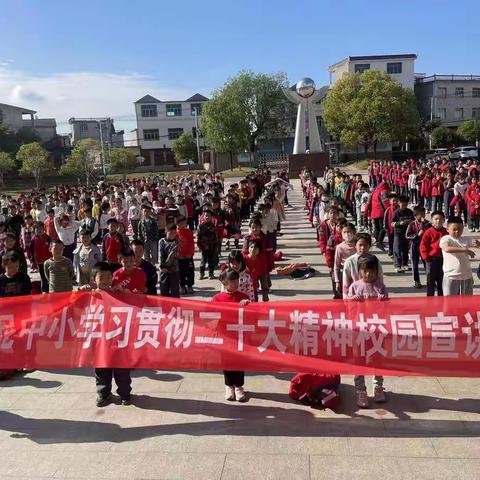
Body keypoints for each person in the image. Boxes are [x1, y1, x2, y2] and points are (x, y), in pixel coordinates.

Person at [90, 262, 133, 407]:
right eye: (101, 278)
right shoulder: (91, 295)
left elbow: (134, 303)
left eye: (109, 277)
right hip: (100, 340)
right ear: (93, 280)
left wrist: (126, 293)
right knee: (102, 368)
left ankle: (125, 394)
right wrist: (80, 292)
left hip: (119, 339)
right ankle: (104, 394)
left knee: (122, 370)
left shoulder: (118, 293)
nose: (106, 281)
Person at [212, 269, 251, 402]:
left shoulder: (243, 297)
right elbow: (210, 314)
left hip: (239, 335)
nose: (235, 284)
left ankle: (239, 386)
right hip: (225, 334)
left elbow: (252, 315)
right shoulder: (217, 298)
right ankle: (229, 386)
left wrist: (247, 305)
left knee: (239, 360)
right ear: (224, 283)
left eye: (236, 280)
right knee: (227, 360)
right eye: (231, 281)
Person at [439, 216, 478, 296]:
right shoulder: (446, 239)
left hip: (466, 276)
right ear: (447, 229)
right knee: (450, 302)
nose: (457, 232)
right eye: (454, 230)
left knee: (467, 302)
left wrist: (477, 243)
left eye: (460, 229)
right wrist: (465, 250)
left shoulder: (466, 239)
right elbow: (447, 249)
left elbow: (475, 243)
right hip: (451, 276)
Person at [342, 233, 383, 299]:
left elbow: (380, 278)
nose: (363, 248)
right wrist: (346, 298)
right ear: (355, 245)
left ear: (369, 246)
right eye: (360, 245)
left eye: (365, 245)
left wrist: (381, 292)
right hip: (356, 296)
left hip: (373, 295)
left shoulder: (375, 260)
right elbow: (346, 283)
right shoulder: (350, 261)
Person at [420, 211, 447, 296]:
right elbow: (423, 246)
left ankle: (441, 299)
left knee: (442, 281)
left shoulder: (446, 232)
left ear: (444, 220)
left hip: (443, 260)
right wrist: (426, 257)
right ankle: (430, 300)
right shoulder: (428, 232)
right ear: (432, 220)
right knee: (430, 281)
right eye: (436, 219)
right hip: (431, 260)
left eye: (440, 219)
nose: (438, 221)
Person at [405, 206, 431, 289]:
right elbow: (407, 235)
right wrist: (417, 235)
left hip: (425, 246)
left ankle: (430, 280)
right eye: (421, 214)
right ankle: (417, 281)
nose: (423, 216)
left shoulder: (427, 223)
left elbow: (431, 232)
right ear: (416, 216)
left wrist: (425, 224)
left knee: (427, 264)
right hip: (414, 246)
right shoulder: (412, 224)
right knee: (415, 264)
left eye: (424, 214)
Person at [391, 195, 414, 273]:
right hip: (398, 233)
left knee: (405, 249)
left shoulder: (409, 212)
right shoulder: (396, 212)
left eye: (406, 205)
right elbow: (392, 223)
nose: (404, 206)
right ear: (398, 203)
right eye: (402, 204)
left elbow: (413, 222)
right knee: (397, 249)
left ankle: (405, 264)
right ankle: (397, 265)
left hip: (407, 233)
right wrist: (399, 223)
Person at [333, 222, 357, 298]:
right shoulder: (340, 247)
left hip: (357, 272)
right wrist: (337, 281)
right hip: (344, 273)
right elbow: (336, 265)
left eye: (349, 232)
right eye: (344, 232)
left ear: (354, 232)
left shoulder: (358, 245)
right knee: (346, 294)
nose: (347, 234)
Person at [158, 223, 180, 297]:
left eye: (174, 232)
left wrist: (166, 267)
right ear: (166, 232)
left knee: (175, 291)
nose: (172, 234)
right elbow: (160, 254)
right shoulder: (161, 241)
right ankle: (165, 307)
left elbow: (172, 255)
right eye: (170, 232)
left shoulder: (176, 242)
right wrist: (162, 266)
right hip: (163, 269)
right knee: (164, 290)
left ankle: (176, 307)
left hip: (173, 269)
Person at [197, 210, 219, 280]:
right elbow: (198, 236)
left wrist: (216, 246)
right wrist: (199, 246)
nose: (207, 217)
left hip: (211, 246)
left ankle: (211, 273)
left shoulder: (213, 226)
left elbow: (216, 237)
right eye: (206, 215)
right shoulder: (201, 226)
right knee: (203, 261)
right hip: (204, 247)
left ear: (211, 217)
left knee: (211, 261)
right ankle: (202, 273)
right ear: (203, 217)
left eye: (209, 216)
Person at [30, 221, 51, 293]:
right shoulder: (33, 240)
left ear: (44, 229)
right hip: (39, 262)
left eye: (41, 228)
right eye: (37, 229)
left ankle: (51, 289)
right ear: (34, 230)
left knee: (50, 276)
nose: (39, 230)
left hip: (49, 261)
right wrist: (32, 261)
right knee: (43, 276)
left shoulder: (48, 238)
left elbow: (52, 248)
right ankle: (44, 290)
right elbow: (31, 251)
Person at [176, 215, 195, 295]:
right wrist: (177, 255)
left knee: (190, 271)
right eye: (180, 223)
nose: (182, 224)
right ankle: (182, 286)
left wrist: (190, 253)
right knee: (181, 273)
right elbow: (174, 245)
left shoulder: (188, 232)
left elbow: (192, 243)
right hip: (179, 257)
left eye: (184, 223)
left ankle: (190, 285)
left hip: (188, 256)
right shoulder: (175, 233)